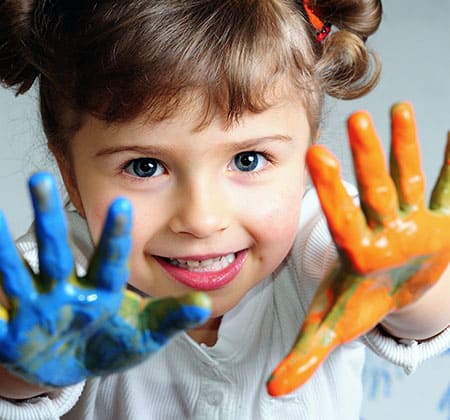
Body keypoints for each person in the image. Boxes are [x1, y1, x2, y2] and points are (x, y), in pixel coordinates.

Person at [0, 0, 448, 419]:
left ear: (306, 156)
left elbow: (417, 311)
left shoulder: (330, 234)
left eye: (248, 160)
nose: (201, 218)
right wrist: (26, 369)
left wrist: (412, 286)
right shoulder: (56, 285)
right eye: (145, 166)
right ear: (71, 175)